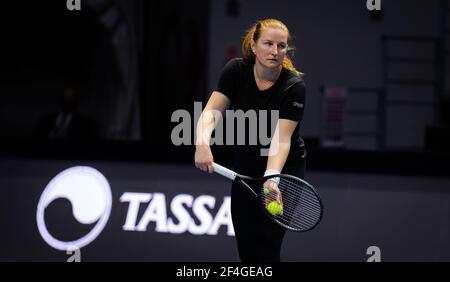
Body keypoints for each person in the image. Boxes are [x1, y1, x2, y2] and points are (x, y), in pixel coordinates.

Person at [194, 18, 306, 262]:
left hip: (284, 172)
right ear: (254, 46)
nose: (274, 51)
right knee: (247, 251)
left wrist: (272, 179)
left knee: (267, 248)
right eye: (268, 43)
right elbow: (211, 113)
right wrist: (202, 143)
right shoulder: (236, 71)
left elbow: (282, 139)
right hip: (245, 167)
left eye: (281, 46)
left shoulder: (294, 87)